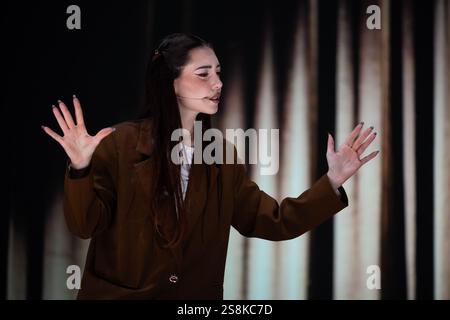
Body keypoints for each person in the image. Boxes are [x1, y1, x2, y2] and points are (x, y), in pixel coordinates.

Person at [41, 33, 379, 299]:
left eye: (218, 73)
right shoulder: (119, 143)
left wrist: (333, 180)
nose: (217, 83)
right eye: (203, 74)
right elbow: (85, 224)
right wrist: (81, 167)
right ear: (169, 82)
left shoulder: (221, 157)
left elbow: (274, 222)